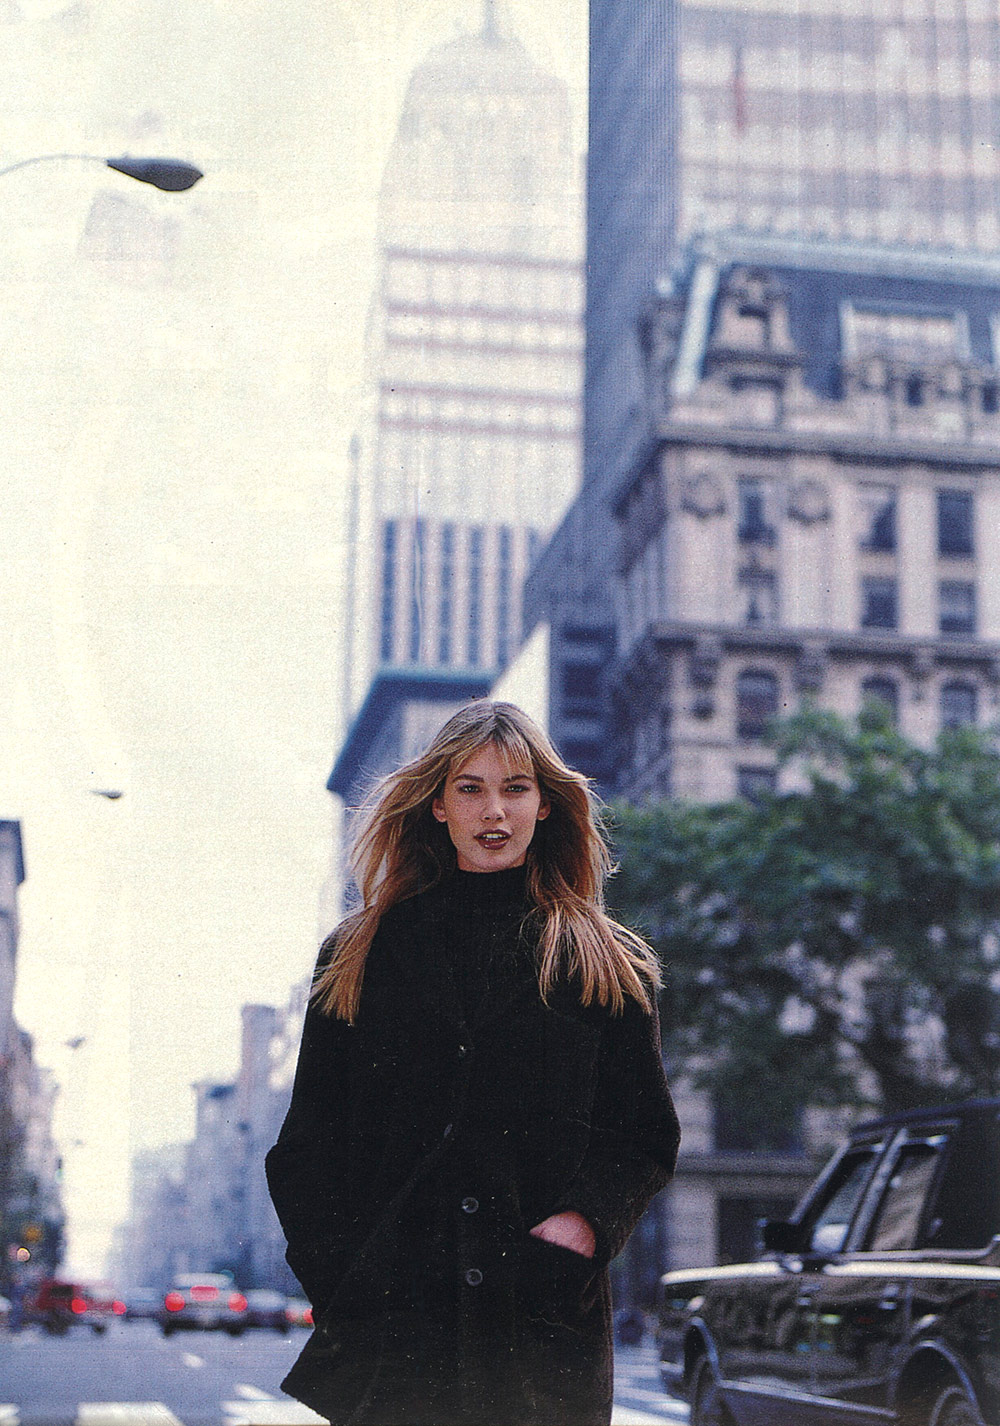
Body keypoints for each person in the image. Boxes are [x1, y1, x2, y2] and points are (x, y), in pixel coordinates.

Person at [266, 700, 680, 1426]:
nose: (494, 810)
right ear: (437, 805)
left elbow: (642, 1134)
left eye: (516, 788)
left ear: (545, 804)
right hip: (395, 1328)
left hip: (539, 1326)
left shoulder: (602, 960)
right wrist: (343, 1277)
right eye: (470, 788)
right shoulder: (359, 953)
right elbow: (307, 1146)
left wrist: (583, 1226)